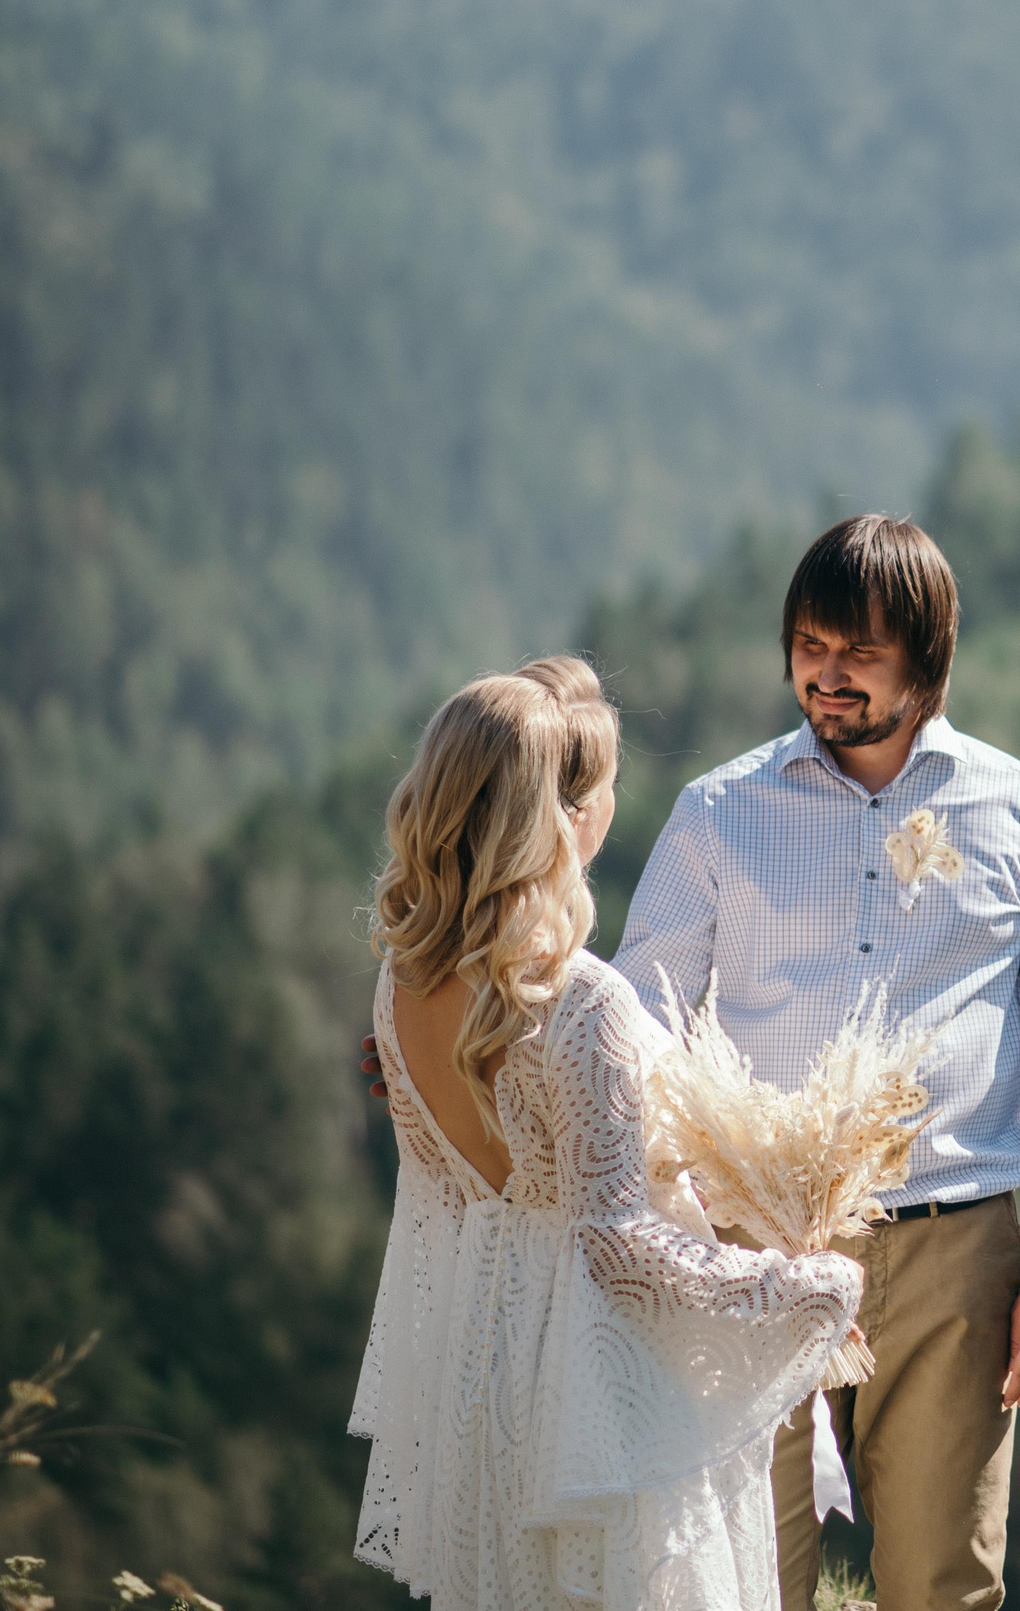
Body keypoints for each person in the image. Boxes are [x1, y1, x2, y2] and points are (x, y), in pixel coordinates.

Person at [614, 515, 1020, 1611]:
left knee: (943, 1588)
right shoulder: (719, 811)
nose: (827, 673)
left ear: (928, 658)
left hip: (957, 1257)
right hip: (755, 1256)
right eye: (809, 643)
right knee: (746, 1584)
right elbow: (635, 1025)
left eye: (859, 650)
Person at [352, 656, 867, 1611]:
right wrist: (802, 1281)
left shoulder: (402, 984)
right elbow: (616, 1244)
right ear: (567, 813)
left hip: (484, 1365)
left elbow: (447, 1194)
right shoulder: (579, 1000)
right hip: (596, 1391)